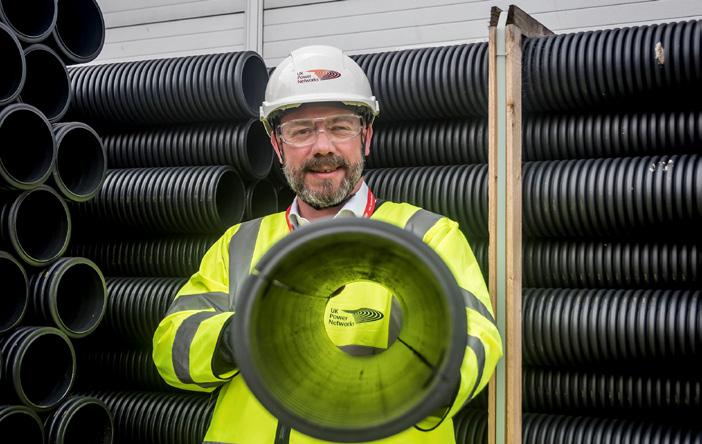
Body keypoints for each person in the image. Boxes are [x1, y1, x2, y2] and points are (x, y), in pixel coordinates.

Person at [152, 45, 502, 444]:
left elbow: (476, 340)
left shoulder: (427, 236)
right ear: (277, 145)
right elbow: (172, 350)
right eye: (301, 131)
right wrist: (239, 335)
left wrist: (419, 369)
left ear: (366, 137)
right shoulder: (239, 244)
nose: (322, 147)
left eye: (340, 127)